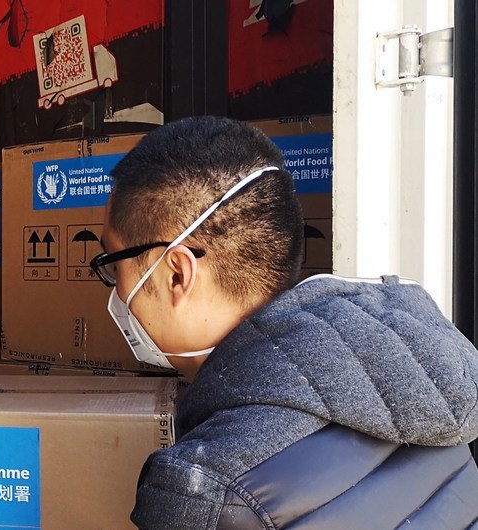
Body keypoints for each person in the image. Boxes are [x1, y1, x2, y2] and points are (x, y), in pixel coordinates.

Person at [89, 116, 478, 529]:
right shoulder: (418, 381)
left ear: (177, 275)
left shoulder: (208, 490)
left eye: (112, 262)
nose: (114, 288)